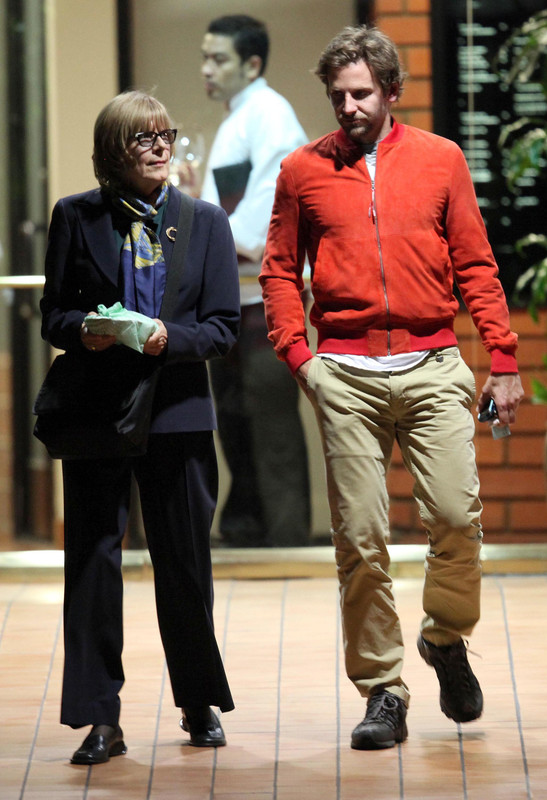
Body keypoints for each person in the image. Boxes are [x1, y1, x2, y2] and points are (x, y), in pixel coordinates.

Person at [260, 26, 524, 750]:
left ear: (391, 91)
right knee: (362, 537)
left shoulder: (440, 160)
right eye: (337, 95)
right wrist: (301, 358)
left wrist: (502, 359)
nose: (347, 107)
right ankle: (384, 688)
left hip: (434, 362)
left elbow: (476, 264)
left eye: (360, 93)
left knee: (454, 515)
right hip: (343, 372)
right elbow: (279, 271)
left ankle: (444, 638)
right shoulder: (302, 170)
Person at [39, 90, 240, 764]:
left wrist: (164, 340)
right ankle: (100, 718)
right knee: (93, 560)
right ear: (111, 154)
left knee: (183, 562)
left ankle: (198, 701)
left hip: (178, 411)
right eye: (142, 140)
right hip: (97, 410)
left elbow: (221, 329)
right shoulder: (74, 216)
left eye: (165, 136)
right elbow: (53, 316)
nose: (159, 149)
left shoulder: (203, 221)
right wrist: (87, 333)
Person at [200, 14, 311, 547]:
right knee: (237, 418)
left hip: (262, 295)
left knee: (270, 422)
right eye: (204, 57)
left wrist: (209, 240)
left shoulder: (269, 113)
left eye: (218, 58)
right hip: (234, 294)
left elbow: (269, 203)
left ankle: (286, 539)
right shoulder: (238, 118)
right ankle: (248, 528)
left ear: (252, 63)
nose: (207, 69)